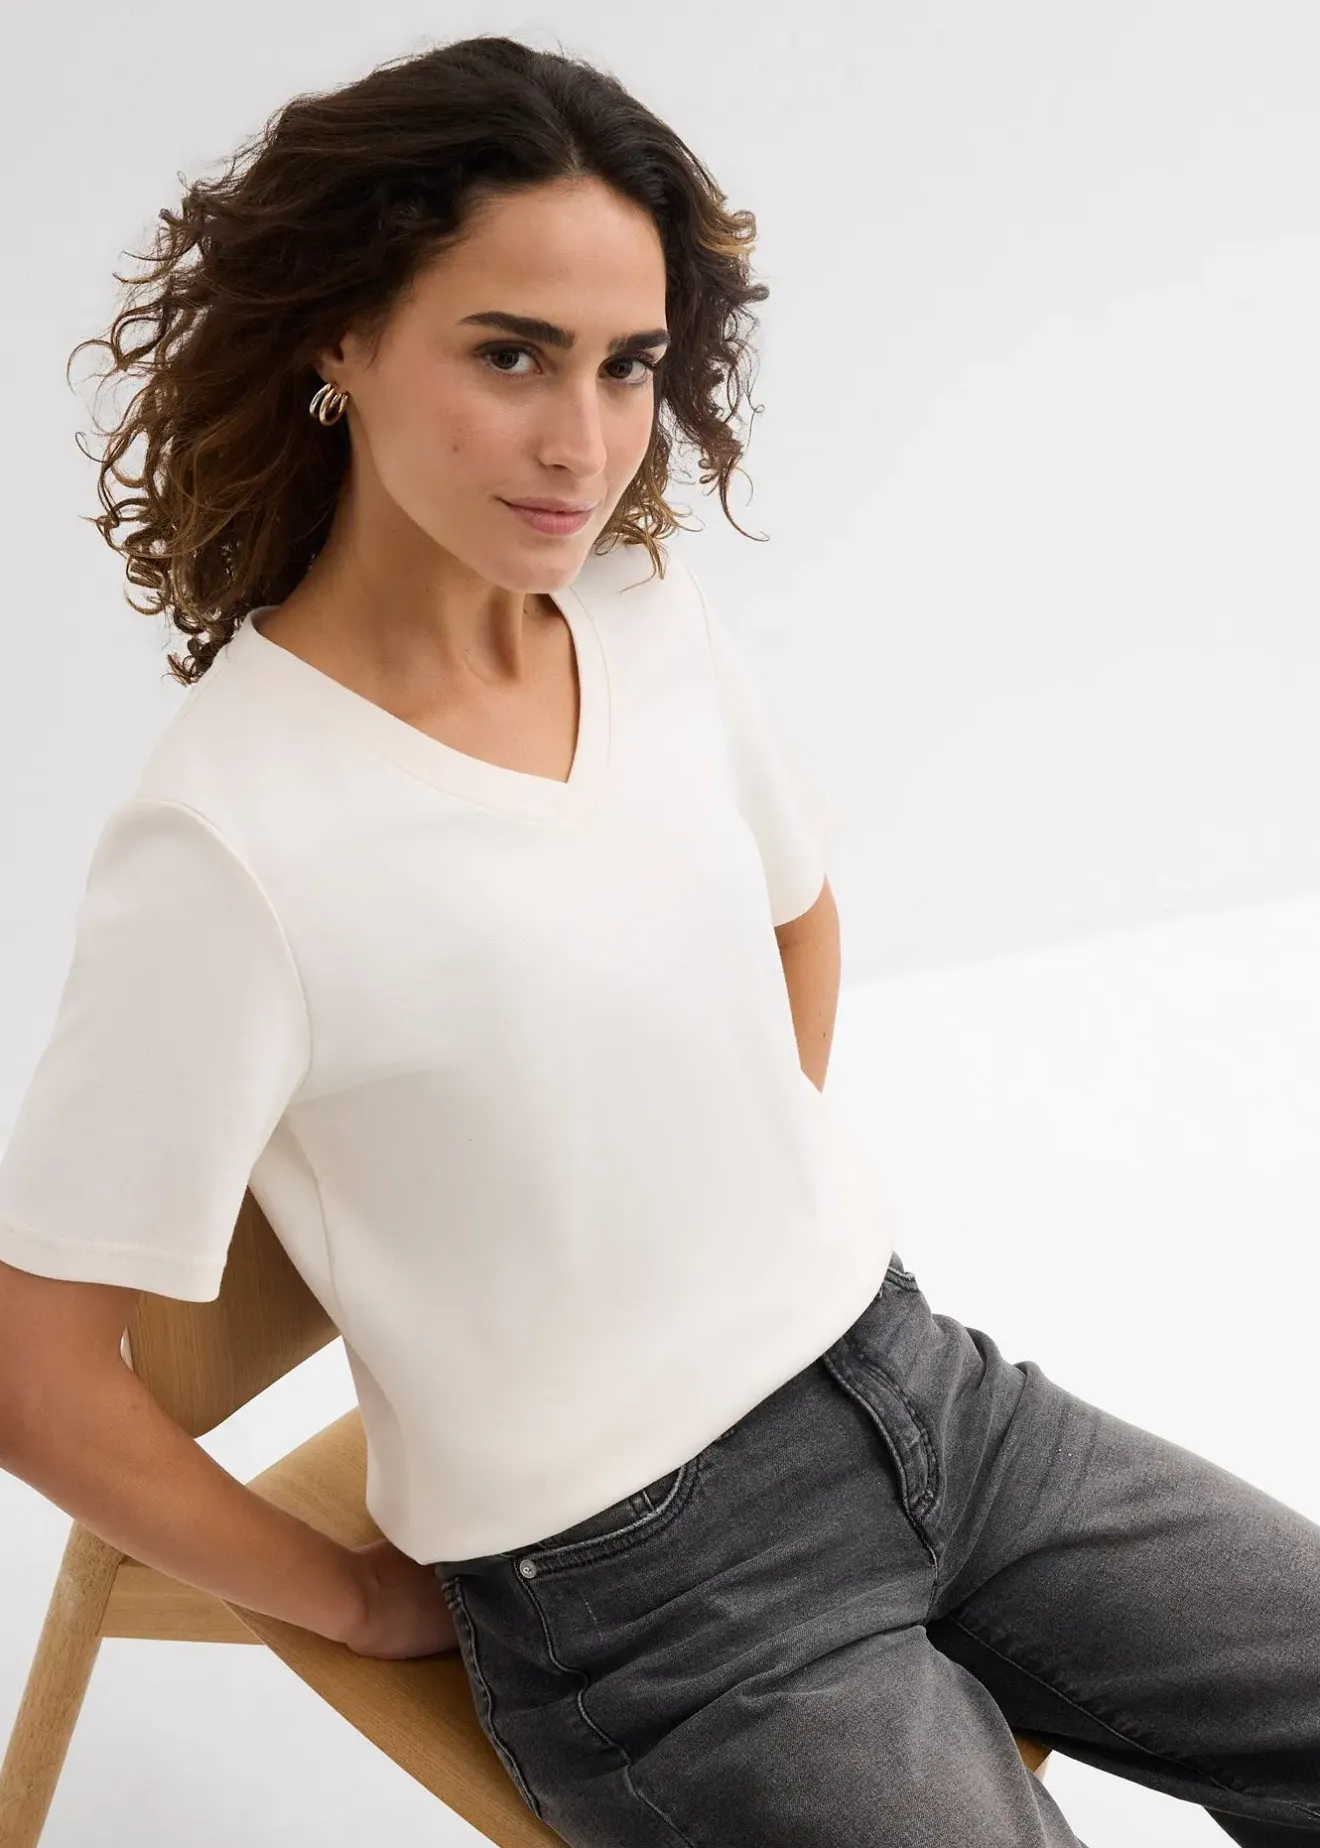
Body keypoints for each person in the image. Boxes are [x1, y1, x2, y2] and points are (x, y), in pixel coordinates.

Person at [0, 33, 1316, 1848]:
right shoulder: (228, 837)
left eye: (627, 364)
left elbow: (796, 916)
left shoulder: (638, 610)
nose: (585, 441)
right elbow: (35, 1369)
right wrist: (358, 1599)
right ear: (339, 337)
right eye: (511, 354)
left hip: (923, 1387)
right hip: (651, 1589)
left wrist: (727, 1233)